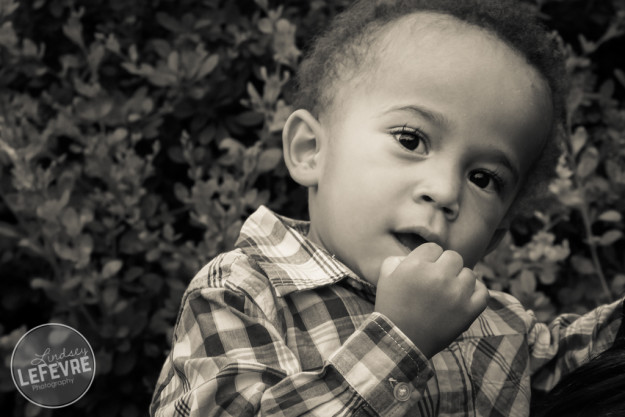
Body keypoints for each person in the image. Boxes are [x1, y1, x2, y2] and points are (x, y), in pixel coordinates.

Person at [150, 0, 625, 416]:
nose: (443, 190)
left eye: (484, 178)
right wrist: (400, 342)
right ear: (311, 149)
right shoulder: (243, 293)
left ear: (498, 233)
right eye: (411, 139)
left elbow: (592, 365)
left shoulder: (497, 326)